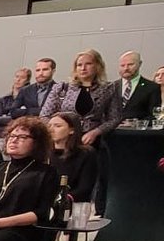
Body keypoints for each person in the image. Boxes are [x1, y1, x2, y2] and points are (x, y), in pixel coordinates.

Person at [41, 49, 121, 214]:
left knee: (90, 183)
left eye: (88, 64)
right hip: (62, 143)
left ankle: (89, 217)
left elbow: (114, 118)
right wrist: (58, 129)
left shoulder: (109, 88)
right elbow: (45, 115)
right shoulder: (62, 88)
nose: (83, 68)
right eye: (79, 65)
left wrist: (96, 132)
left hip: (92, 142)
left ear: (98, 66)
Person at [48, 112, 98, 203]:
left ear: (72, 130)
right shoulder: (43, 152)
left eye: (57, 126)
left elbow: (85, 188)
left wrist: (61, 201)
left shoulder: (86, 154)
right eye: (49, 126)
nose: (51, 130)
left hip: (71, 204)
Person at [117, 50, 162, 120]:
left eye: (130, 64)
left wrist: (136, 123)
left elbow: (154, 115)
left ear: (140, 64)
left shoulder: (152, 87)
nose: (126, 68)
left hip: (137, 130)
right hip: (112, 130)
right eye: (122, 65)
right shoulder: (111, 87)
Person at [0, 67, 33, 138]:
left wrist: (6, 117)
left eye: (22, 77)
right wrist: (17, 118)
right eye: (17, 77)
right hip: (0, 135)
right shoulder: (3, 100)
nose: (18, 80)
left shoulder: (30, 100)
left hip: (20, 136)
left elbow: (29, 119)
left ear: (27, 81)